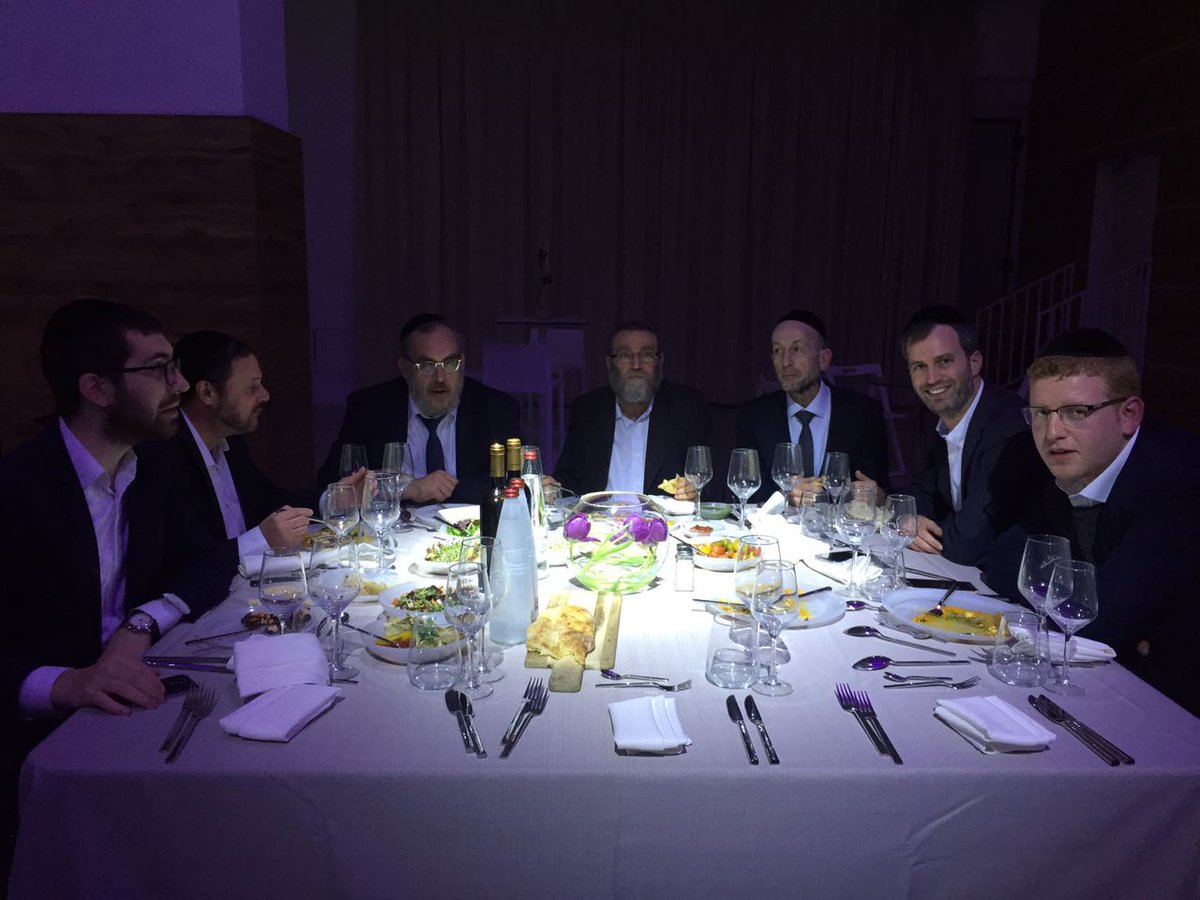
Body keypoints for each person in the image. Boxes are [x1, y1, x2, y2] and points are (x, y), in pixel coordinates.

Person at [0, 300, 237, 877]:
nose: (181, 384)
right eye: (159, 369)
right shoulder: (18, 490)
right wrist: (65, 683)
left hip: (135, 701)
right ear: (97, 388)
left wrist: (143, 622)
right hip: (38, 745)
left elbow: (212, 561)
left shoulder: (149, 468)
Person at [981, 328, 1200, 715]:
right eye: (1041, 413)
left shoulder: (1177, 484)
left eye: (1076, 412)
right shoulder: (1072, 463)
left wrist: (1108, 620)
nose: (1053, 433)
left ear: (1129, 415)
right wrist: (1094, 599)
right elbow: (1000, 560)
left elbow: (1101, 625)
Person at [316, 313, 520, 504]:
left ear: (462, 363)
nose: (440, 378)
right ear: (405, 368)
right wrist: (403, 489)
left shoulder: (496, 409)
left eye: (450, 363)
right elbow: (330, 485)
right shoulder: (369, 408)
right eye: (427, 366)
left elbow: (514, 483)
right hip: (392, 528)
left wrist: (446, 489)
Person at [900, 306, 1047, 564]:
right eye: (919, 367)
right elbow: (920, 493)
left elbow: (968, 542)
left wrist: (919, 529)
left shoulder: (1008, 427)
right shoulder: (947, 420)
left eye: (944, 361)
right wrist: (907, 518)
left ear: (974, 362)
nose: (931, 378)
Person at [158, 330, 319, 556]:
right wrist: (261, 540)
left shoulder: (230, 441)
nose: (265, 395)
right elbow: (191, 561)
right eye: (252, 388)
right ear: (207, 393)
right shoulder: (165, 459)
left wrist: (336, 499)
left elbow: (270, 502)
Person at [735, 309, 888, 504]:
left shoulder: (864, 414)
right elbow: (743, 490)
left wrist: (879, 496)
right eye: (778, 350)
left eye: (796, 349)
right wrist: (785, 497)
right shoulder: (753, 417)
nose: (785, 362)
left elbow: (881, 488)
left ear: (823, 359)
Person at [552, 321, 708, 496]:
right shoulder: (588, 410)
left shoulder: (687, 408)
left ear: (660, 361)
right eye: (625, 356)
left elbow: (707, 481)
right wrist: (552, 489)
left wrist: (693, 491)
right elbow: (568, 479)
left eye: (646, 355)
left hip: (663, 514)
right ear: (609, 363)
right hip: (601, 513)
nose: (636, 365)